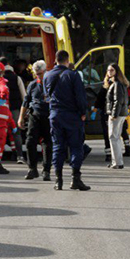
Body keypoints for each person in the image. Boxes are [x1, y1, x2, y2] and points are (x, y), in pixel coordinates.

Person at [44, 50, 91, 191]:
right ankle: (75, 179)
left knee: (58, 146)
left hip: (55, 115)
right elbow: (80, 97)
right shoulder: (73, 75)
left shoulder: (47, 75)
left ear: (55, 60)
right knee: (76, 147)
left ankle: (58, 180)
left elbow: (46, 96)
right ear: (67, 60)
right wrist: (83, 112)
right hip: (72, 116)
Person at [19, 60, 52, 181]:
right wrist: (21, 117)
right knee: (30, 142)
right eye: (36, 74)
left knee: (47, 143)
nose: (38, 76)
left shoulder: (51, 84)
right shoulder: (32, 85)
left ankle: (46, 170)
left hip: (48, 116)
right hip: (34, 115)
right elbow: (26, 101)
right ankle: (32, 169)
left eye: (40, 73)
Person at [0, 57, 27, 164]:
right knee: (16, 132)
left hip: (1, 109)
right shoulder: (17, 78)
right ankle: (19, 156)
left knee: (1, 132)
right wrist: (24, 111)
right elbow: (24, 95)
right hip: (15, 109)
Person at [104, 64, 130, 169]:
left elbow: (118, 100)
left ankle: (117, 162)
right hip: (121, 113)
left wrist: (114, 114)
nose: (109, 72)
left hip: (117, 114)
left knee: (113, 137)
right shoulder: (120, 83)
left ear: (116, 71)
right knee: (116, 137)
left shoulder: (116, 84)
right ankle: (117, 161)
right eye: (108, 70)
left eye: (112, 70)